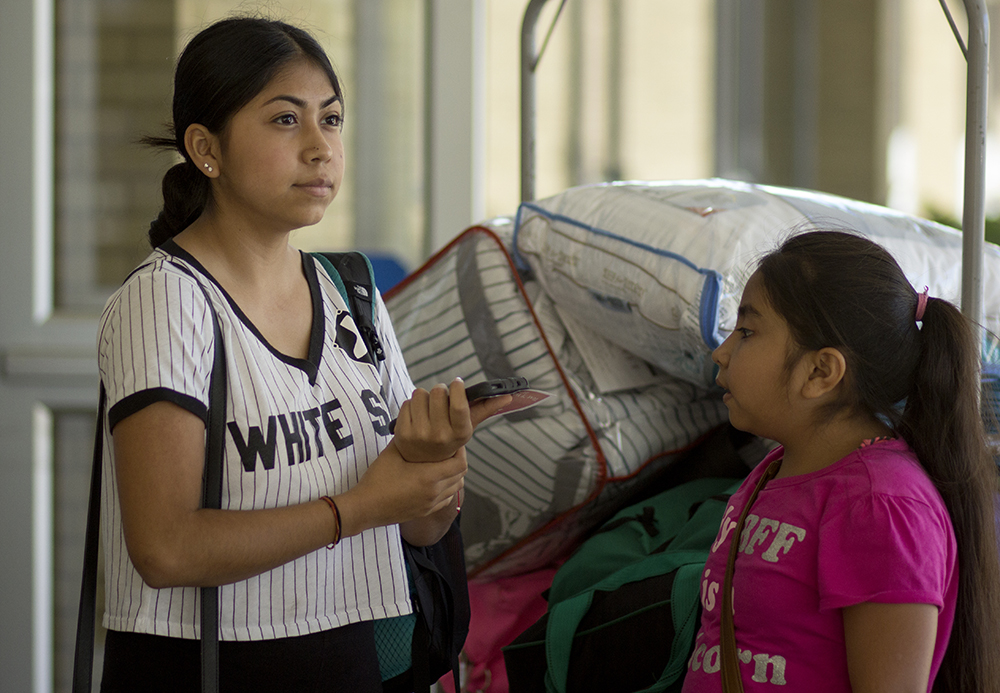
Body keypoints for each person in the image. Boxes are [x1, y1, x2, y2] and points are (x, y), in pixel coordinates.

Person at [97, 16, 508, 692]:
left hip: (356, 660)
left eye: (333, 119)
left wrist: (435, 463)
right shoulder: (168, 302)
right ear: (207, 149)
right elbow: (164, 546)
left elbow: (421, 523)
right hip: (212, 667)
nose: (321, 148)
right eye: (286, 121)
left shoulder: (351, 290)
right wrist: (358, 507)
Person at [682, 230, 1000, 692]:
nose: (722, 351)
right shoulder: (774, 472)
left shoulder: (881, 506)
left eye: (747, 331)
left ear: (820, 372)